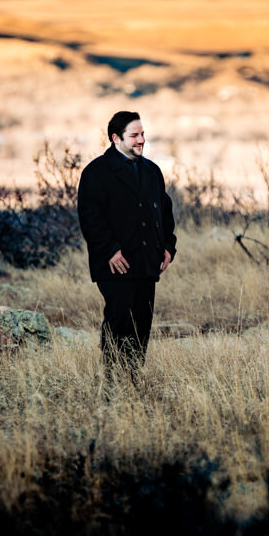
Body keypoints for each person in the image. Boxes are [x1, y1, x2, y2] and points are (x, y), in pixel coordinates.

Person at [77, 111, 176, 380]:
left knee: (142, 322)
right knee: (119, 319)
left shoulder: (152, 172)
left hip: (147, 262)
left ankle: (132, 375)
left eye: (142, 134)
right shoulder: (96, 173)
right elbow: (90, 217)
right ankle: (111, 377)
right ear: (115, 138)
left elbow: (164, 213)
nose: (141, 140)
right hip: (114, 264)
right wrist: (109, 249)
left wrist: (168, 246)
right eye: (134, 135)